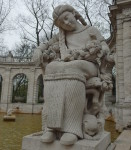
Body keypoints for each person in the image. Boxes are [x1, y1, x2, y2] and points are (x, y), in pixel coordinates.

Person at [33, 4, 111, 146]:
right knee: (50, 67)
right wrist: (39, 49)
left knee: (72, 67)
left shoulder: (91, 30)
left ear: (74, 14)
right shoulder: (63, 35)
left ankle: (72, 129)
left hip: (88, 65)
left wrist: (100, 50)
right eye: (62, 23)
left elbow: (105, 46)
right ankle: (51, 126)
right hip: (68, 64)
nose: (66, 23)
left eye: (67, 18)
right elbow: (47, 43)